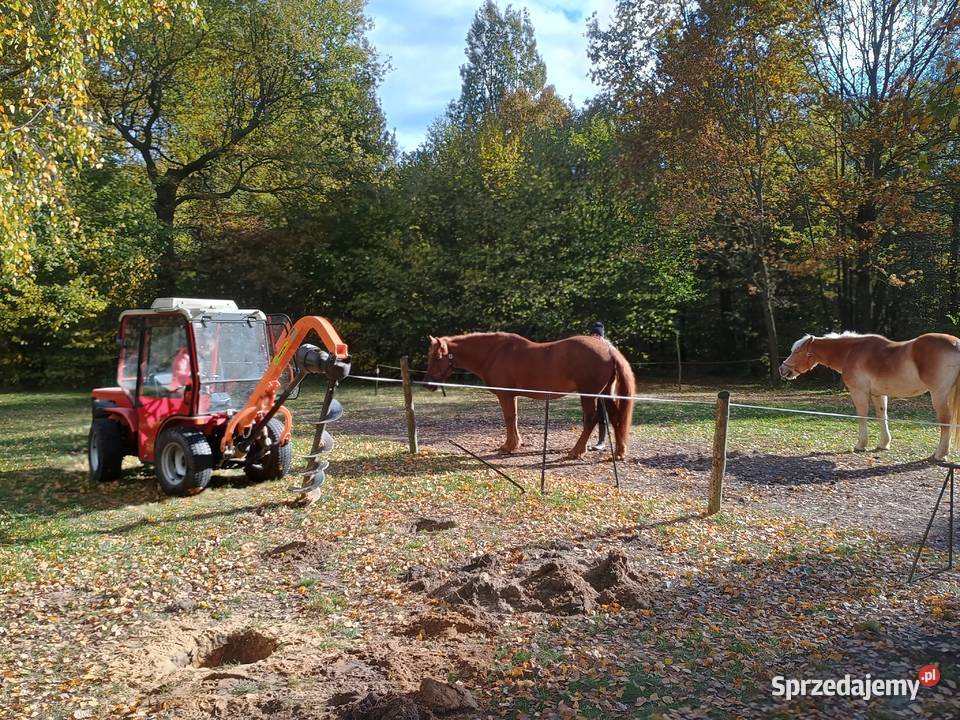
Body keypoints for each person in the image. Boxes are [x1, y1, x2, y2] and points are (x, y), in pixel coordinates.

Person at [588, 321, 609, 451]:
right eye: (593, 334)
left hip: (605, 387)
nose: (595, 337)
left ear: (602, 336)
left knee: (602, 413)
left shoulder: (608, 348)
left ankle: (602, 441)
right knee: (588, 413)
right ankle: (585, 439)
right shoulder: (588, 349)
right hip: (590, 388)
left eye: (598, 334)